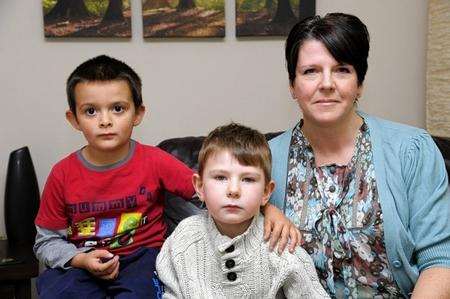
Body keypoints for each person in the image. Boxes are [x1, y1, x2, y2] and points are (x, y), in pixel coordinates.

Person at [34, 55, 299, 299]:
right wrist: (80, 260)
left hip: (142, 259)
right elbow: (46, 241)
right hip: (82, 262)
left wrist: (268, 208)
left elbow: (213, 192)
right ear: (74, 119)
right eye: (91, 111)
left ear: (138, 114)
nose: (105, 121)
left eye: (118, 108)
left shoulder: (154, 161)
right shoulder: (62, 174)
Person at [268, 12, 450, 298]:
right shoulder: (263, 162)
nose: (326, 83)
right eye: (310, 71)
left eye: (342, 69)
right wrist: (265, 208)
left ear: (360, 84)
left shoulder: (412, 151)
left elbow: (440, 260)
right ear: (293, 85)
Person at [156, 123, 329, 298]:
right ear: (200, 187)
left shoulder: (280, 247)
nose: (233, 190)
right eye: (220, 177)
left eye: (247, 179)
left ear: (266, 192)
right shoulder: (183, 239)